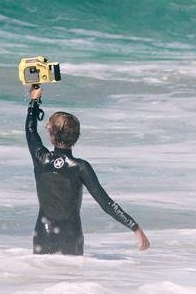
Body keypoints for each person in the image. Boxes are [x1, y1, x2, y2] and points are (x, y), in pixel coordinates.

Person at [26, 83, 150, 255]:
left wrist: (34, 101)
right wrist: (135, 227)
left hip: (43, 234)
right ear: (76, 138)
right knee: (71, 281)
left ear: (51, 134)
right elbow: (106, 203)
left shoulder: (41, 158)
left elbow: (30, 129)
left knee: (43, 280)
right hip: (71, 237)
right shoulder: (80, 167)